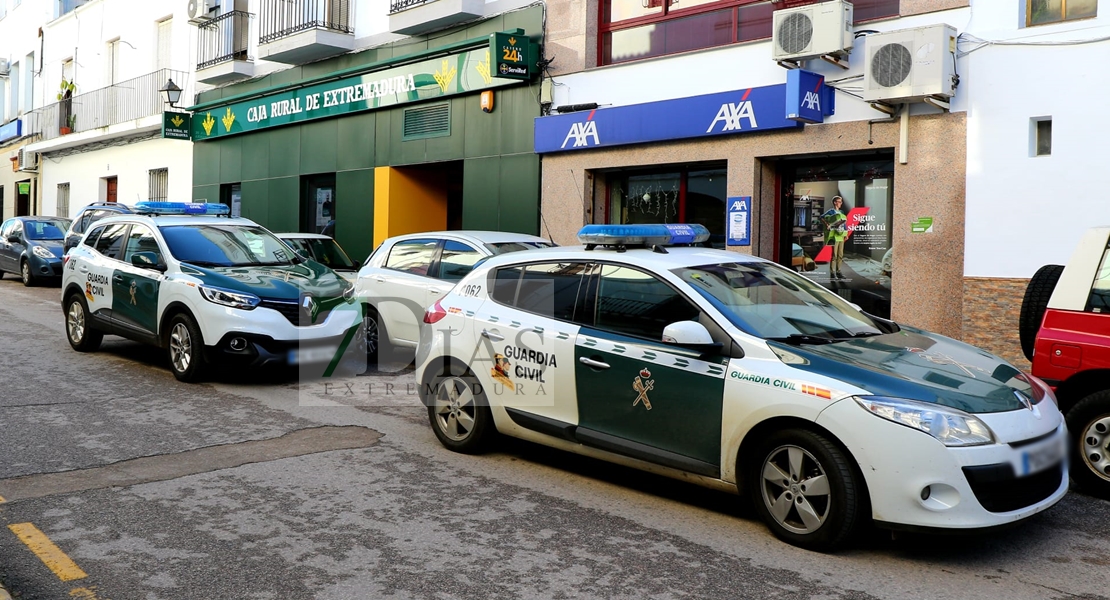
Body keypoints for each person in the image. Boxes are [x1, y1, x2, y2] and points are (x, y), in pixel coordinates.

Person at [821, 196, 849, 280]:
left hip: (841, 234)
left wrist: (846, 233)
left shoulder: (841, 211)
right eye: (839, 202)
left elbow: (844, 223)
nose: (841, 203)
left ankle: (839, 272)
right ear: (835, 202)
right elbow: (821, 217)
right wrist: (827, 224)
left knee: (840, 254)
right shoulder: (831, 211)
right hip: (834, 235)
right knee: (834, 255)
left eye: (841, 202)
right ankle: (832, 273)